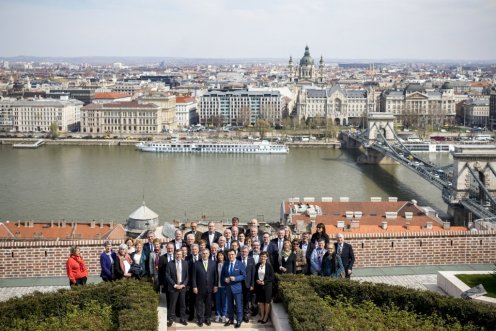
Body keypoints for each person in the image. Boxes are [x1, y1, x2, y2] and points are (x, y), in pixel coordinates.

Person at [192, 248, 218, 327]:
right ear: (201, 254)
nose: (205, 255)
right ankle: (200, 319)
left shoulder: (213, 263)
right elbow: (193, 277)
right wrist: (194, 286)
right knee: (199, 304)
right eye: (203, 253)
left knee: (209, 304)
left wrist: (215, 285)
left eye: (206, 253)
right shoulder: (196, 263)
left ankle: (208, 318)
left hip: (210, 288)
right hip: (199, 288)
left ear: (209, 254)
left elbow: (215, 275)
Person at [221, 249, 246, 328]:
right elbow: (222, 275)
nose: (231, 256)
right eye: (229, 255)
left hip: (237, 288)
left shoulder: (240, 264)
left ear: (235, 255)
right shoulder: (225, 263)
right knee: (230, 305)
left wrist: (235, 278)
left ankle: (239, 320)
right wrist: (225, 279)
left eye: (232, 254)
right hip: (228, 288)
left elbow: (244, 275)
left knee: (238, 305)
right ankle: (231, 319)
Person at [165, 250, 189, 327]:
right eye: (177, 254)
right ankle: (171, 319)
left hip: (182, 287)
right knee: (172, 305)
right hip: (173, 287)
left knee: (183, 304)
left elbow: (187, 276)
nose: (178, 256)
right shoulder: (170, 264)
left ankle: (183, 319)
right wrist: (175, 285)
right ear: (175, 255)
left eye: (180, 254)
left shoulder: (185, 263)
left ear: (182, 255)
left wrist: (183, 284)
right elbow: (167, 276)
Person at [254, 251, 274, 324]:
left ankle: (265, 317)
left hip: (267, 287)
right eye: (261, 256)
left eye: (264, 256)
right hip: (259, 286)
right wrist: (257, 280)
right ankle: (262, 316)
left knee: (267, 302)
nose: (262, 258)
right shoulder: (257, 265)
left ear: (267, 257)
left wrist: (264, 282)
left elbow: (272, 277)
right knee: (261, 302)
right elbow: (255, 275)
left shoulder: (269, 266)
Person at [238, 246, 255, 323]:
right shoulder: (237, 259)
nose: (244, 253)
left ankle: (246, 314)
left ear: (248, 252)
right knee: (239, 300)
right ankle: (240, 315)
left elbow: (253, 273)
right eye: (242, 251)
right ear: (240, 252)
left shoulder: (251, 259)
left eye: (245, 251)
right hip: (238, 284)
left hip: (248, 284)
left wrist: (252, 284)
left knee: (246, 300)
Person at [186, 244, 200, 321]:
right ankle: (191, 315)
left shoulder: (202, 257)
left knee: (199, 301)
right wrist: (187, 284)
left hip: (200, 283)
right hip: (191, 283)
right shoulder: (187, 258)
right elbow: (186, 272)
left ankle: (199, 315)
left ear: (198, 250)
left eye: (195, 249)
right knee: (191, 301)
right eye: (193, 249)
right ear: (191, 250)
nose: (194, 251)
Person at [215, 251, 228, 323]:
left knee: (225, 301)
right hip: (217, 286)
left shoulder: (227, 264)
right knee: (217, 301)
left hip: (224, 286)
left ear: (224, 256)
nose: (220, 257)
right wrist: (215, 285)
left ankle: (224, 315)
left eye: (221, 255)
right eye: (219, 255)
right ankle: (218, 315)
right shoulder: (215, 264)